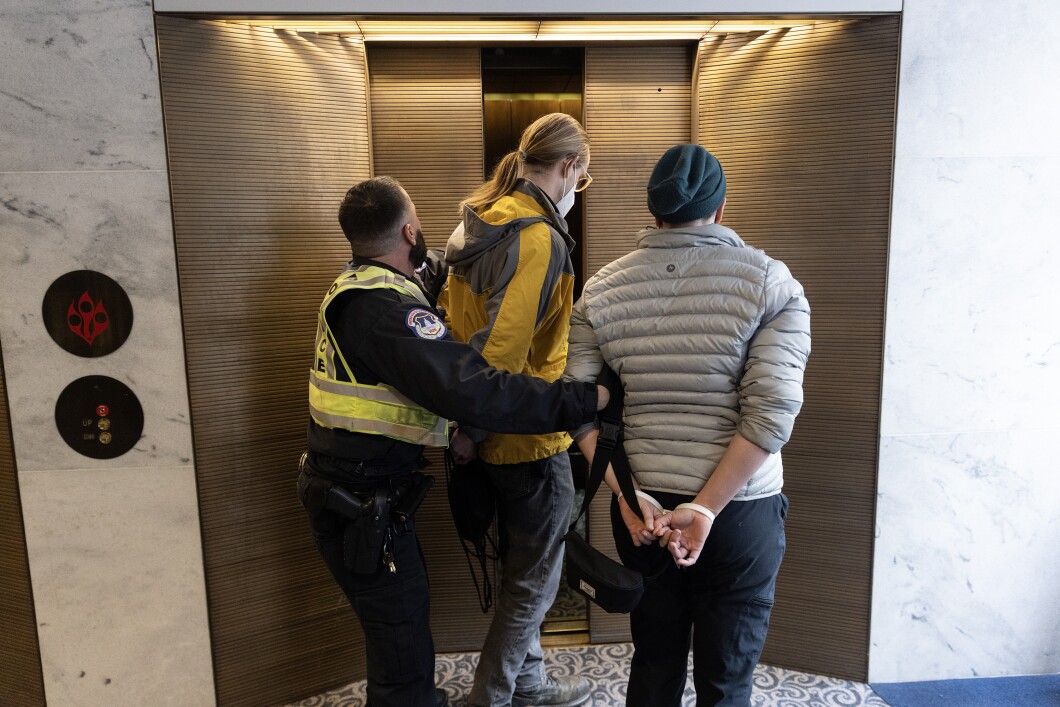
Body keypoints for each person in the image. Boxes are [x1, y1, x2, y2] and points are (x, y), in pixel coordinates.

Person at [298, 176, 610, 707]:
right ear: (409, 230)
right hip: (359, 505)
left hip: (357, 492)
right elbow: (478, 390)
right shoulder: (387, 310)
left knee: (401, 637)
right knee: (403, 661)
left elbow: (446, 267)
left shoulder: (364, 284)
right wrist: (584, 401)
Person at [564, 144, 811, 706]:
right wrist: (703, 510)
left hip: (644, 513)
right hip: (739, 512)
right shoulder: (771, 284)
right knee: (726, 680)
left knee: (654, 664)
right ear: (721, 210)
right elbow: (770, 415)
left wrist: (628, 502)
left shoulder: (600, 290)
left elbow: (576, 409)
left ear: (653, 214)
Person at [436, 112, 594, 707]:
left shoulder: (482, 223)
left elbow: (459, 334)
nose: (578, 186)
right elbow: (502, 350)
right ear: (566, 168)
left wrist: (465, 425)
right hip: (524, 434)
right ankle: (493, 697)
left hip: (484, 433)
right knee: (534, 584)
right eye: (580, 174)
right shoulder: (535, 238)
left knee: (519, 569)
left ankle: (528, 683)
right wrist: (473, 429)